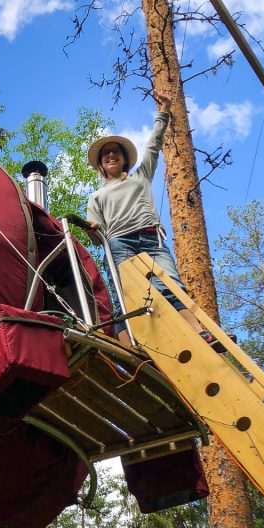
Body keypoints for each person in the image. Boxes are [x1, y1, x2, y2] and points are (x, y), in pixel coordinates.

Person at [86, 96, 225, 351]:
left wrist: (164, 112)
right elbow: (97, 238)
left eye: (115, 151)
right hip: (119, 244)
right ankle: (130, 349)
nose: (110, 155)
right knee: (123, 296)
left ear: (124, 159)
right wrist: (92, 231)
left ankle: (199, 334)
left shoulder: (140, 177)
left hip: (151, 240)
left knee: (171, 285)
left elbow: (153, 145)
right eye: (106, 154)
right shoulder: (96, 197)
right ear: (101, 165)